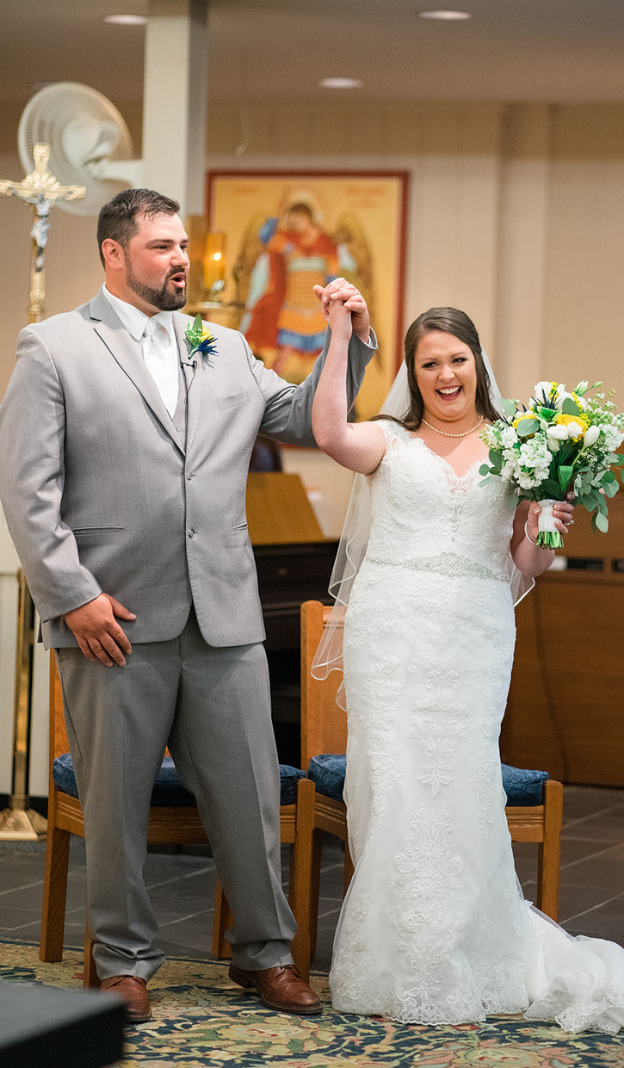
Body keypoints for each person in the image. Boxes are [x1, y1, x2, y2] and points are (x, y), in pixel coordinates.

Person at [0, 188, 380, 1023]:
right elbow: (29, 495)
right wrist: (75, 598)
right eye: (162, 246)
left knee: (248, 795)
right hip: (113, 621)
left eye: (182, 246)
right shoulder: (54, 348)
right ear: (113, 253)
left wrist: (347, 337)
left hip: (224, 617)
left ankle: (266, 956)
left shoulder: (224, 344)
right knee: (115, 800)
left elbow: (302, 418)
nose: (180, 259)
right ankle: (125, 960)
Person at [307, 296, 624, 1031]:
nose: (444, 374)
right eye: (429, 363)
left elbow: (525, 560)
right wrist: (341, 334)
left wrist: (551, 521)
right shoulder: (387, 442)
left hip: (473, 631)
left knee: (461, 783)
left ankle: (470, 956)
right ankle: (400, 964)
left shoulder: (516, 445)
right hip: (393, 630)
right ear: (412, 372)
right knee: (396, 784)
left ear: (478, 365)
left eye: (456, 360)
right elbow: (328, 432)